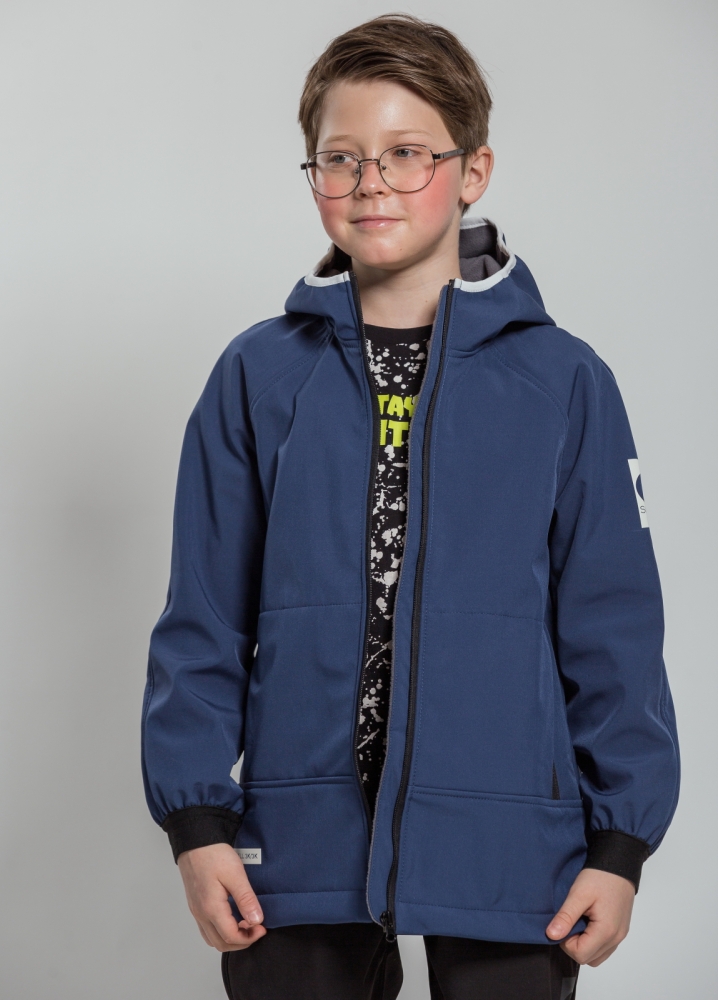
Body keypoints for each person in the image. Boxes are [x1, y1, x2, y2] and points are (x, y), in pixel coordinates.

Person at [140, 14, 680, 1000]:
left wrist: (620, 845)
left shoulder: (564, 382)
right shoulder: (258, 375)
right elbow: (202, 620)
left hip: (511, 837)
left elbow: (615, 628)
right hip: (299, 836)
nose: (370, 183)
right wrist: (198, 825)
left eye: (405, 154)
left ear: (473, 171)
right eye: (340, 158)